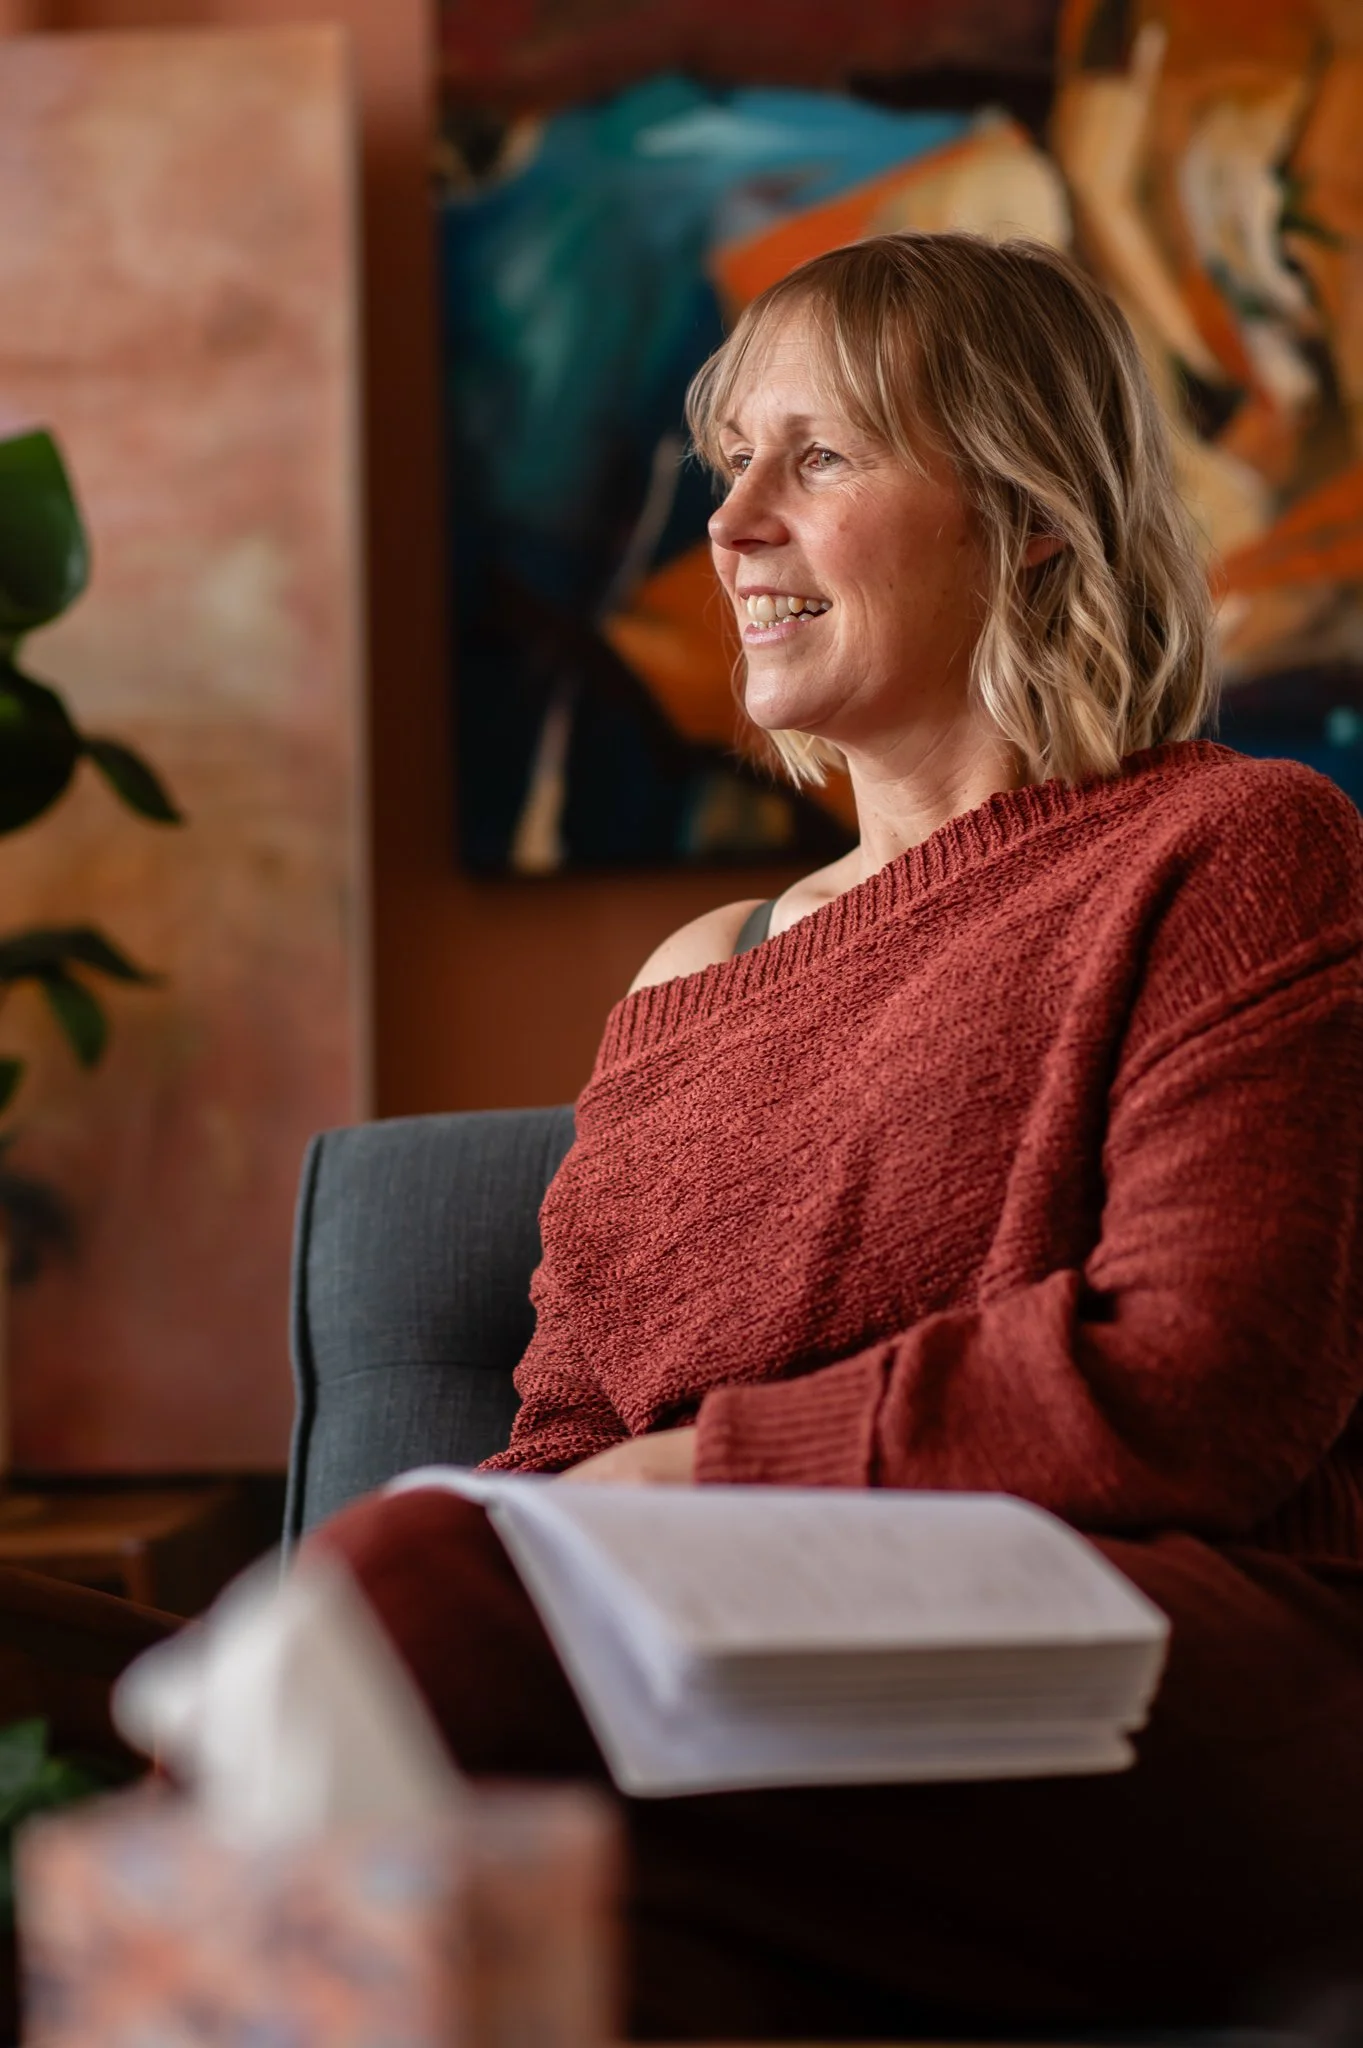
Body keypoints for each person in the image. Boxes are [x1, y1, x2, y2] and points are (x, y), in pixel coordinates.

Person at [313, 232, 1363, 2037]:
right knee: (542, 1972)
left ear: (1029, 513)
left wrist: (696, 1474)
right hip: (723, 1676)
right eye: (732, 462)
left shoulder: (1236, 848)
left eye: (817, 457)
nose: (728, 526)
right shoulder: (687, 977)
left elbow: (1202, 1377)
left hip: (1174, 1676)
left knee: (397, 1597)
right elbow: (561, 1440)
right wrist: (592, 1515)